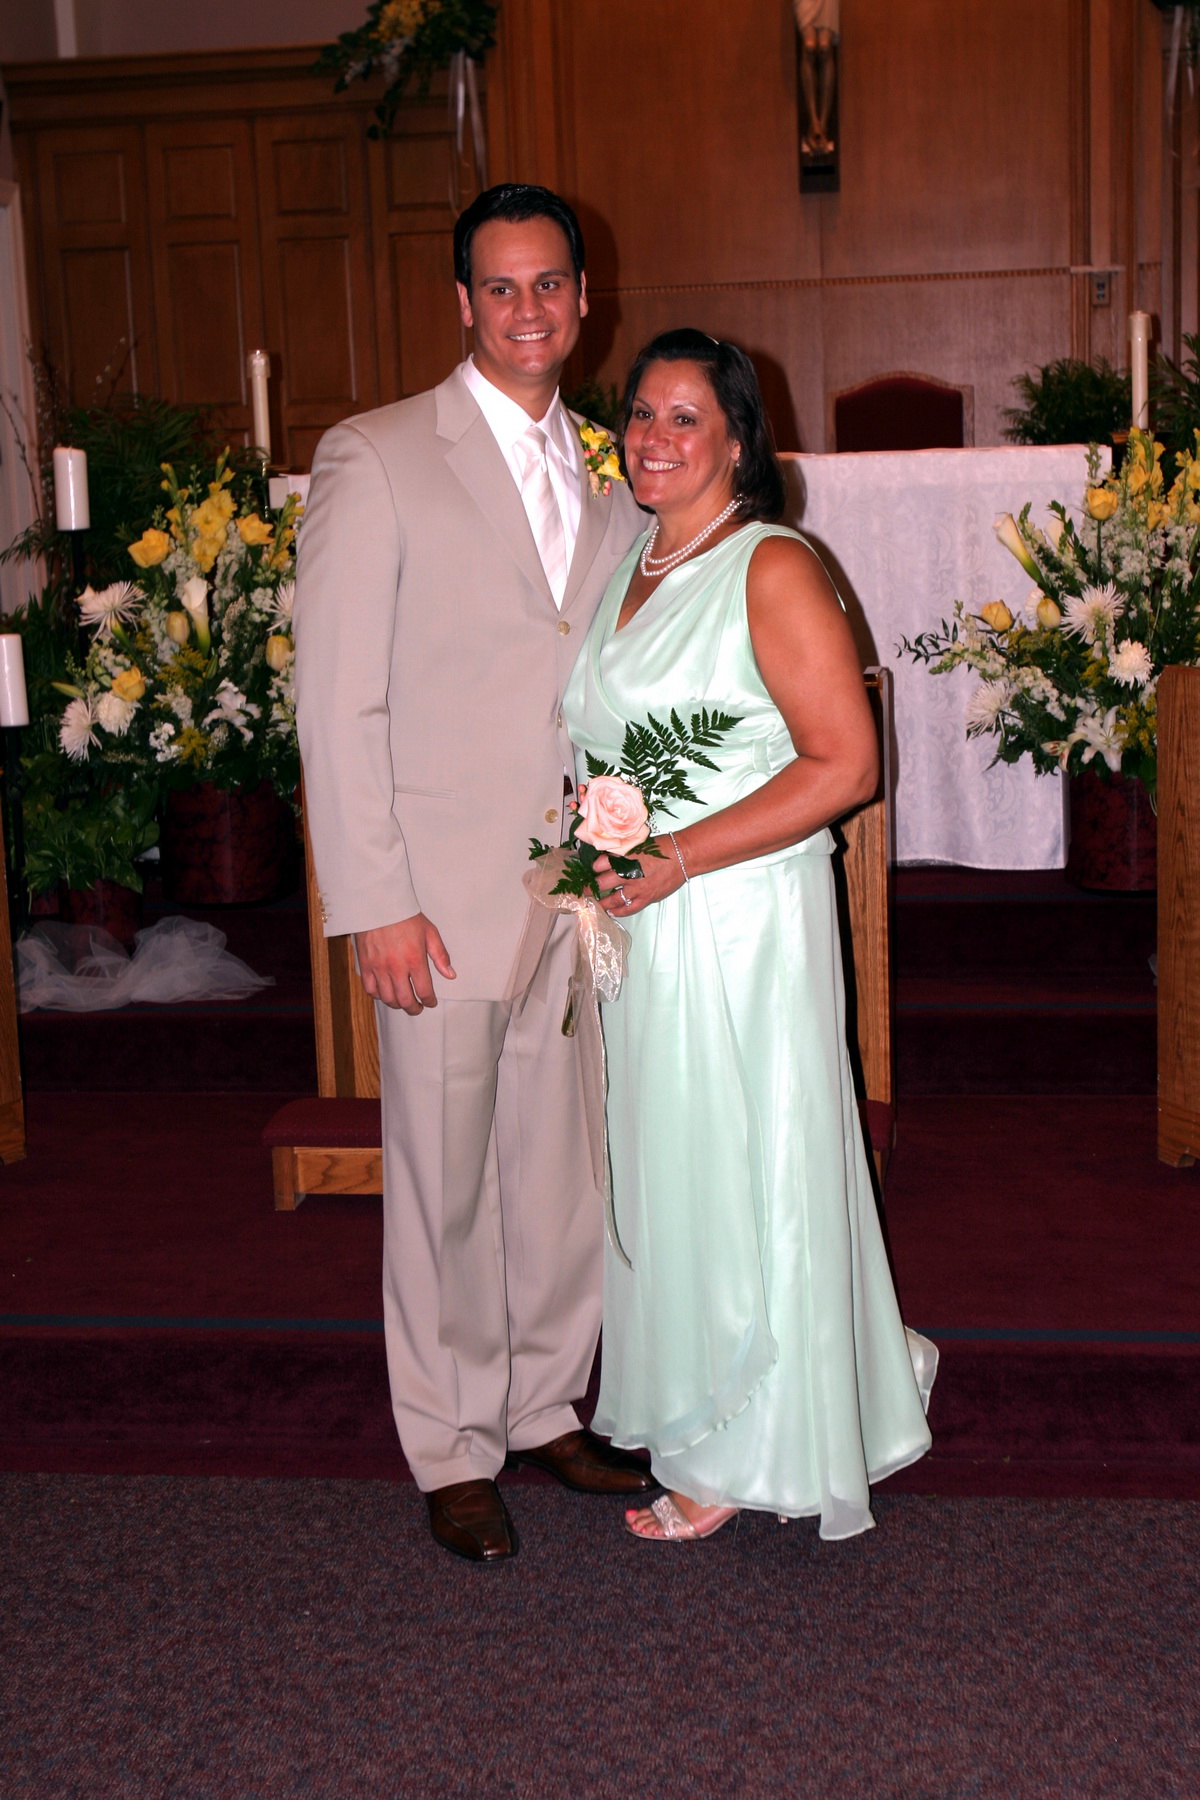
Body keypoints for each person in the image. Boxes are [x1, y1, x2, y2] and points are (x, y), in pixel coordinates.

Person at [294, 184, 650, 1564]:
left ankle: (545, 1403)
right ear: (462, 304)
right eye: (500, 288)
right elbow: (337, 701)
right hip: (433, 899)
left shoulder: (615, 479)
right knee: (442, 1186)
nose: (527, 310)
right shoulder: (378, 455)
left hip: (570, 890)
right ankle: (449, 1442)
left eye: (549, 283)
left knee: (563, 1173)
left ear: (583, 298)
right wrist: (372, 897)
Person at [562, 328, 936, 1542]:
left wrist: (674, 854)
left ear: (737, 441)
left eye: (686, 418)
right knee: (675, 1166)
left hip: (740, 921)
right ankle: (718, 1404)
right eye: (641, 413)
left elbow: (846, 764)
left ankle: (749, 1445)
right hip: (646, 923)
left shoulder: (769, 564)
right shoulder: (632, 563)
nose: (654, 437)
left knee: (745, 1158)